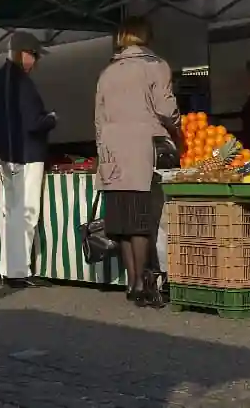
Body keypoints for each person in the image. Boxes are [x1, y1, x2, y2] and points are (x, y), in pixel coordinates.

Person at [95, 16, 181, 308]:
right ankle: (146, 282)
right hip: (143, 149)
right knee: (142, 219)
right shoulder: (154, 66)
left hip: (112, 152)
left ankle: (132, 282)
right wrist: (178, 127)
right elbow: (165, 107)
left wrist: (103, 148)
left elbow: (99, 118)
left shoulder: (107, 73)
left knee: (123, 221)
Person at [0, 31, 56, 289]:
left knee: (11, 212)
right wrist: (50, 119)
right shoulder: (22, 83)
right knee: (27, 212)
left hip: (8, 153)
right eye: (35, 56)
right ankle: (18, 272)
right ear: (24, 53)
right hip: (28, 154)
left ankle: (8, 268)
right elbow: (32, 123)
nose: (36, 62)